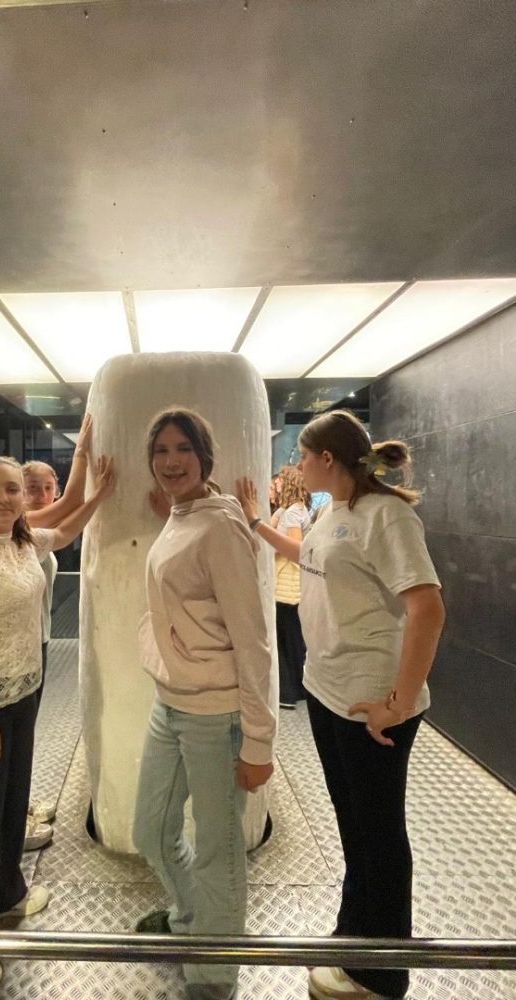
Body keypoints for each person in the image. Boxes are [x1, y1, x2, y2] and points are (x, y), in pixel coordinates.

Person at [237, 410, 445, 1000]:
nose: (298, 467)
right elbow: (304, 555)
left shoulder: (387, 516)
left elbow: (428, 608)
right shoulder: (333, 511)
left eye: (303, 457)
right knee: (354, 827)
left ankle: (381, 975)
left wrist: (397, 703)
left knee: (378, 834)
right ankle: (355, 937)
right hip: (329, 693)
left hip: (371, 705)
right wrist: (254, 522)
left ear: (326, 459)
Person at [0, 452, 115, 994]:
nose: (3, 498)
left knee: (11, 806)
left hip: (19, 698)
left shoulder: (23, 542)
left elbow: (65, 531)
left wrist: (100, 495)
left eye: (12, 489)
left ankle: (5, 895)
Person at [133, 407, 276, 1000]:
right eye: (161, 451)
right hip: (171, 703)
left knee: (218, 850)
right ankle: (193, 919)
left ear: (205, 456)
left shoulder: (219, 526)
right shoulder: (185, 513)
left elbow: (253, 638)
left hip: (216, 715)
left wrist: (259, 741)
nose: (171, 461)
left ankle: (214, 975)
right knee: (150, 830)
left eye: (183, 449)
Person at [19, 414, 94, 849]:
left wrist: (97, 496)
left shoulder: (35, 533)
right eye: (31, 488)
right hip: (17, 649)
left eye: (47, 488)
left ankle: (19, 806)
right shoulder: (17, 528)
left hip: (37, 641)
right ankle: (14, 822)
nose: (40, 495)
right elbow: (71, 505)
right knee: (15, 735)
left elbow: (66, 525)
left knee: (23, 732)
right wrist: (82, 450)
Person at [270, 464, 311, 709]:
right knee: (293, 639)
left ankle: (286, 694)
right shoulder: (291, 510)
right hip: (291, 585)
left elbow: (295, 547)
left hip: (287, 585)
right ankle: (297, 688)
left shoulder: (293, 513)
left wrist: (272, 547)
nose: (275, 485)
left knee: (284, 641)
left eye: (279, 481)